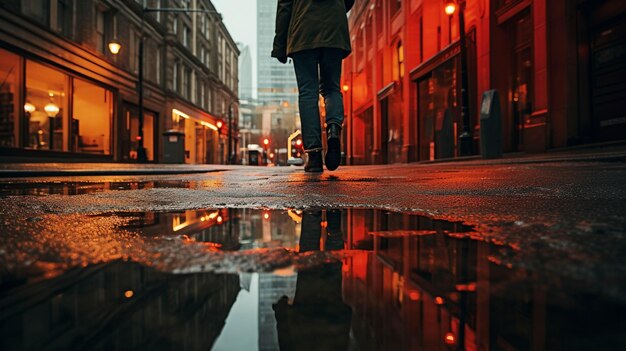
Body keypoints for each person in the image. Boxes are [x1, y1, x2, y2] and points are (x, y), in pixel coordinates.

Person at [272, 0, 355, 172]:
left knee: (308, 93)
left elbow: (284, 7)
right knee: (332, 88)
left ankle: (314, 155)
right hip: (334, 28)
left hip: (303, 31)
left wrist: (279, 45)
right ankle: (333, 130)